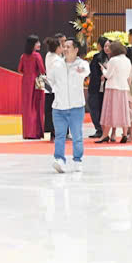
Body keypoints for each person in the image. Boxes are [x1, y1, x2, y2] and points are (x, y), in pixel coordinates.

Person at [48, 37, 90, 174]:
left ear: (76, 50)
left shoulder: (82, 64)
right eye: (64, 46)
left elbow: (86, 71)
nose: (65, 49)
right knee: (59, 135)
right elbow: (51, 81)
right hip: (59, 107)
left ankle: (77, 160)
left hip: (76, 107)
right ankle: (59, 159)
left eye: (68, 47)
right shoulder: (56, 64)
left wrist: (81, 70)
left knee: (77, 135)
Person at [98, 38, 132, 143]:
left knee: (110, 112)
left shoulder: (113, 60)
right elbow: (128, 76)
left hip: (112, 88)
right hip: (124, 88)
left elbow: (108, 75)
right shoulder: (127, 60)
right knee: (123, 112)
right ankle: (124, 134)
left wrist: (103, 70)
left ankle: (105, 135)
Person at [18, 36, 47, 140]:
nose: (39, 44)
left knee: (27, 107)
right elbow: (42, 70)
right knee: (36, 106)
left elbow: (20, 69)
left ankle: (27, 132)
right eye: (37, 42)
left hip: (25, 82)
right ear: (32, 44)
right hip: (36, 82)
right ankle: (35, 132)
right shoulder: (37, 55)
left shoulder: (23, 56)